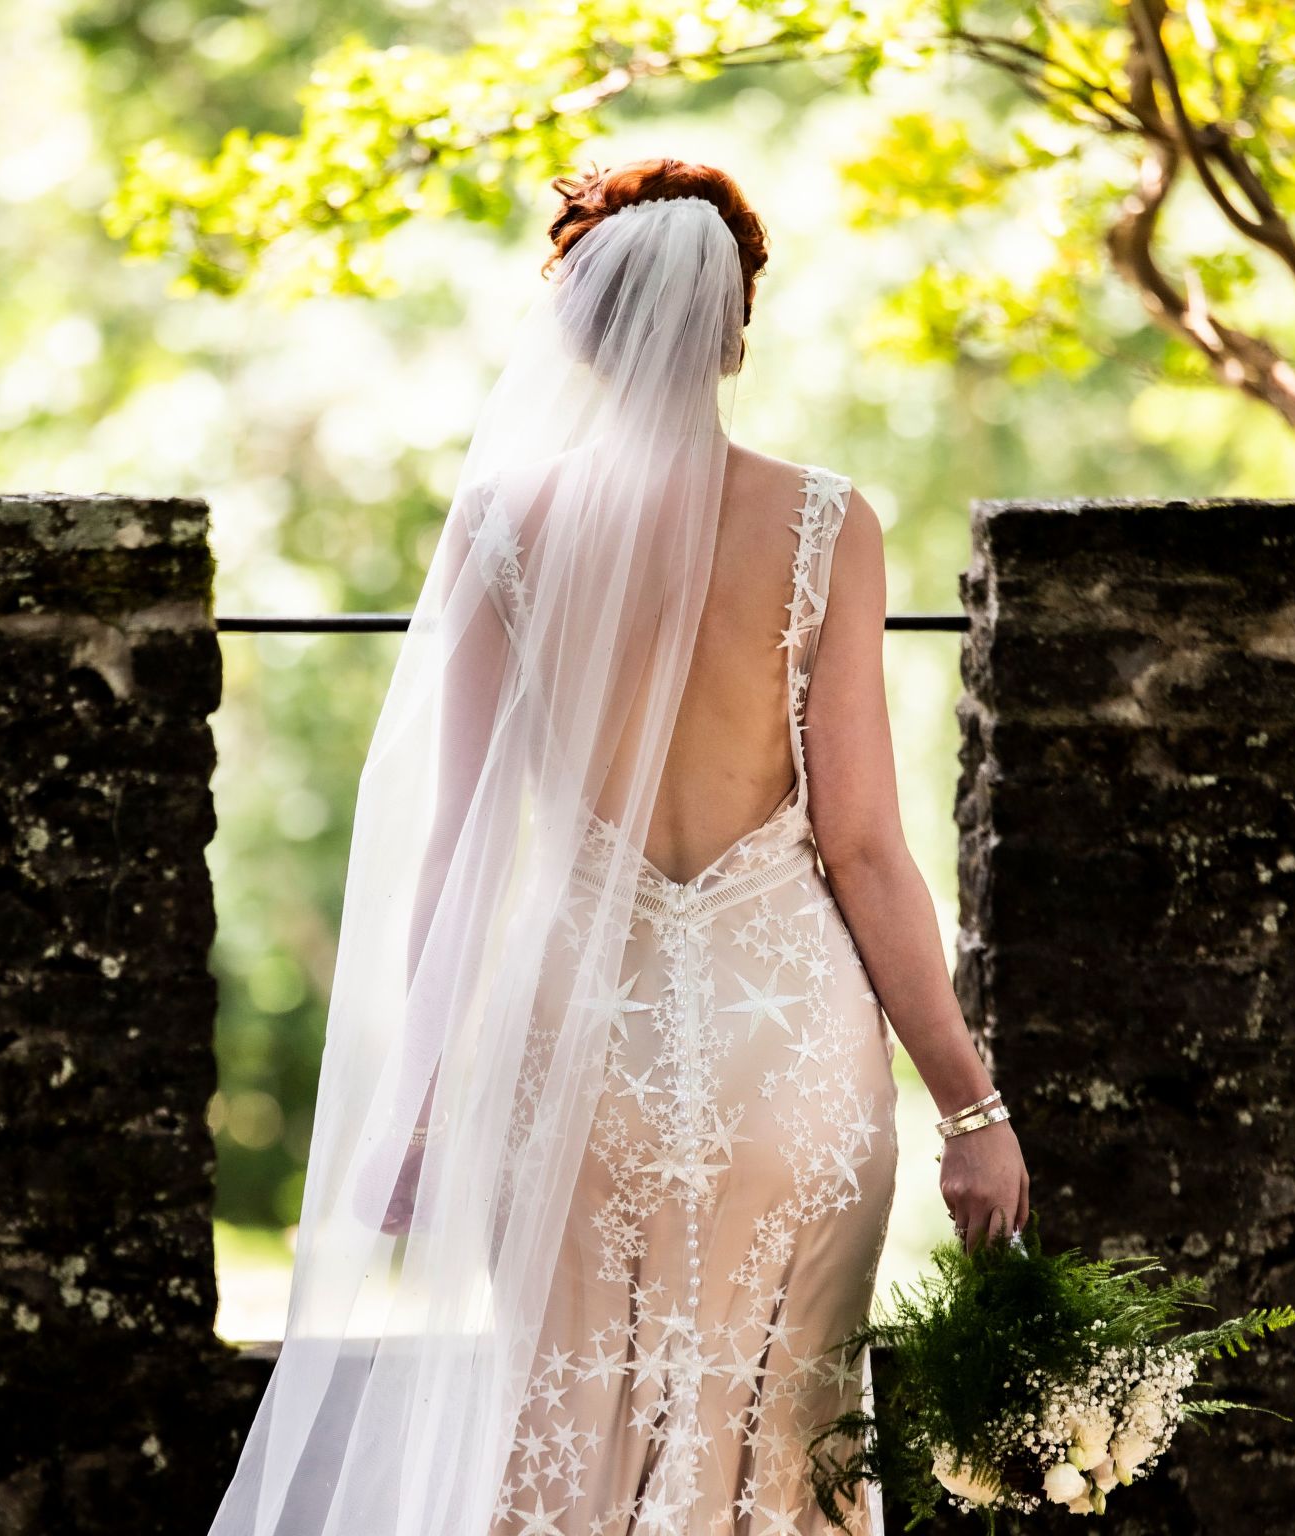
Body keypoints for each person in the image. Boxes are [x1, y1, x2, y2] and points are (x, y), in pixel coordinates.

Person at [206, 157, 1030, 1536]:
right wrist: (971, 1108)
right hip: (794, 1057)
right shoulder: (828, 523)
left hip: (578, 1044)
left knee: (567, 1439)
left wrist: (410, 1107)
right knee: (787, 1442)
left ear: (577, 331)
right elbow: (870, 848)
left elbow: (458, 859)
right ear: (736, 328)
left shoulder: (502, 525)